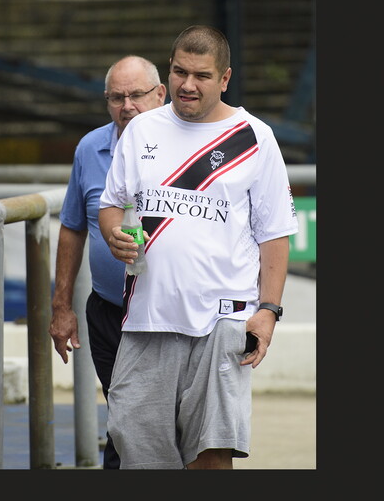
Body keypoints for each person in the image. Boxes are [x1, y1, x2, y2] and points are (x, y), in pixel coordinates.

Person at [98, 25, 298, 469]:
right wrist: (114, 233)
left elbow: (275, 234)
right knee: (135, 445)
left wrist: (268, 310)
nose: (187, 85)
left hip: (222, 320)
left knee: (211, 452)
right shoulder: (141, 129)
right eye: (179, 72)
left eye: (202, 76)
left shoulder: (255, 137)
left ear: (225, 78)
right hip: (148, 317)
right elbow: (112, 205)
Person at [48, 55, 167, 469]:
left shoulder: (184, 146)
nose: (127, 106)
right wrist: (60, 307)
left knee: (165, 426)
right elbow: (71, 227)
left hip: (171, 316)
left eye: (137, 95)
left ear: (160, 95)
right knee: (124, 420)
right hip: (109, 313)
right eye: (117, 97)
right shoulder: (91, 148)